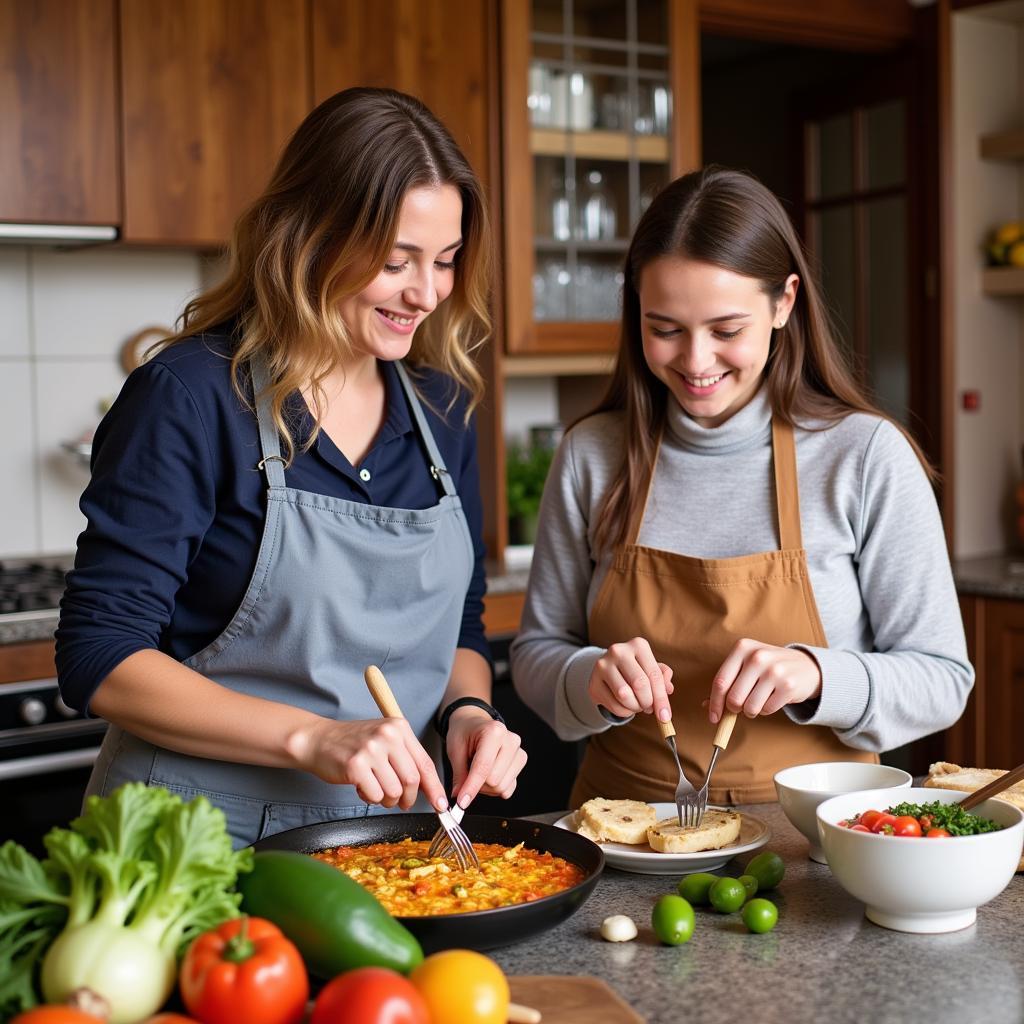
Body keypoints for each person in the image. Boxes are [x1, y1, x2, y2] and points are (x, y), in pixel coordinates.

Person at [56, 88, 526, 847]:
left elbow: (459, 630)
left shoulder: (443, 410)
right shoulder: (189, 395)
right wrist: (315, 739)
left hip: (382, 841)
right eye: (396, 260)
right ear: (310, 238)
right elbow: (100, 655)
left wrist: (471, 712)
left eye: (444, 261)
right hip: (186, 840)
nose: (427, 292)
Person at [511, 166, 972, 808]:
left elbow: (944, 679)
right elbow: (535, 652)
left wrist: (818, 675)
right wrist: (589, 678)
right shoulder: (592, 454)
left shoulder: (864, 455)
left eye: (726, 330)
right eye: (664, 329)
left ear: (784, 303)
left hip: (821, 838)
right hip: (622, 833)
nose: (696, 362)